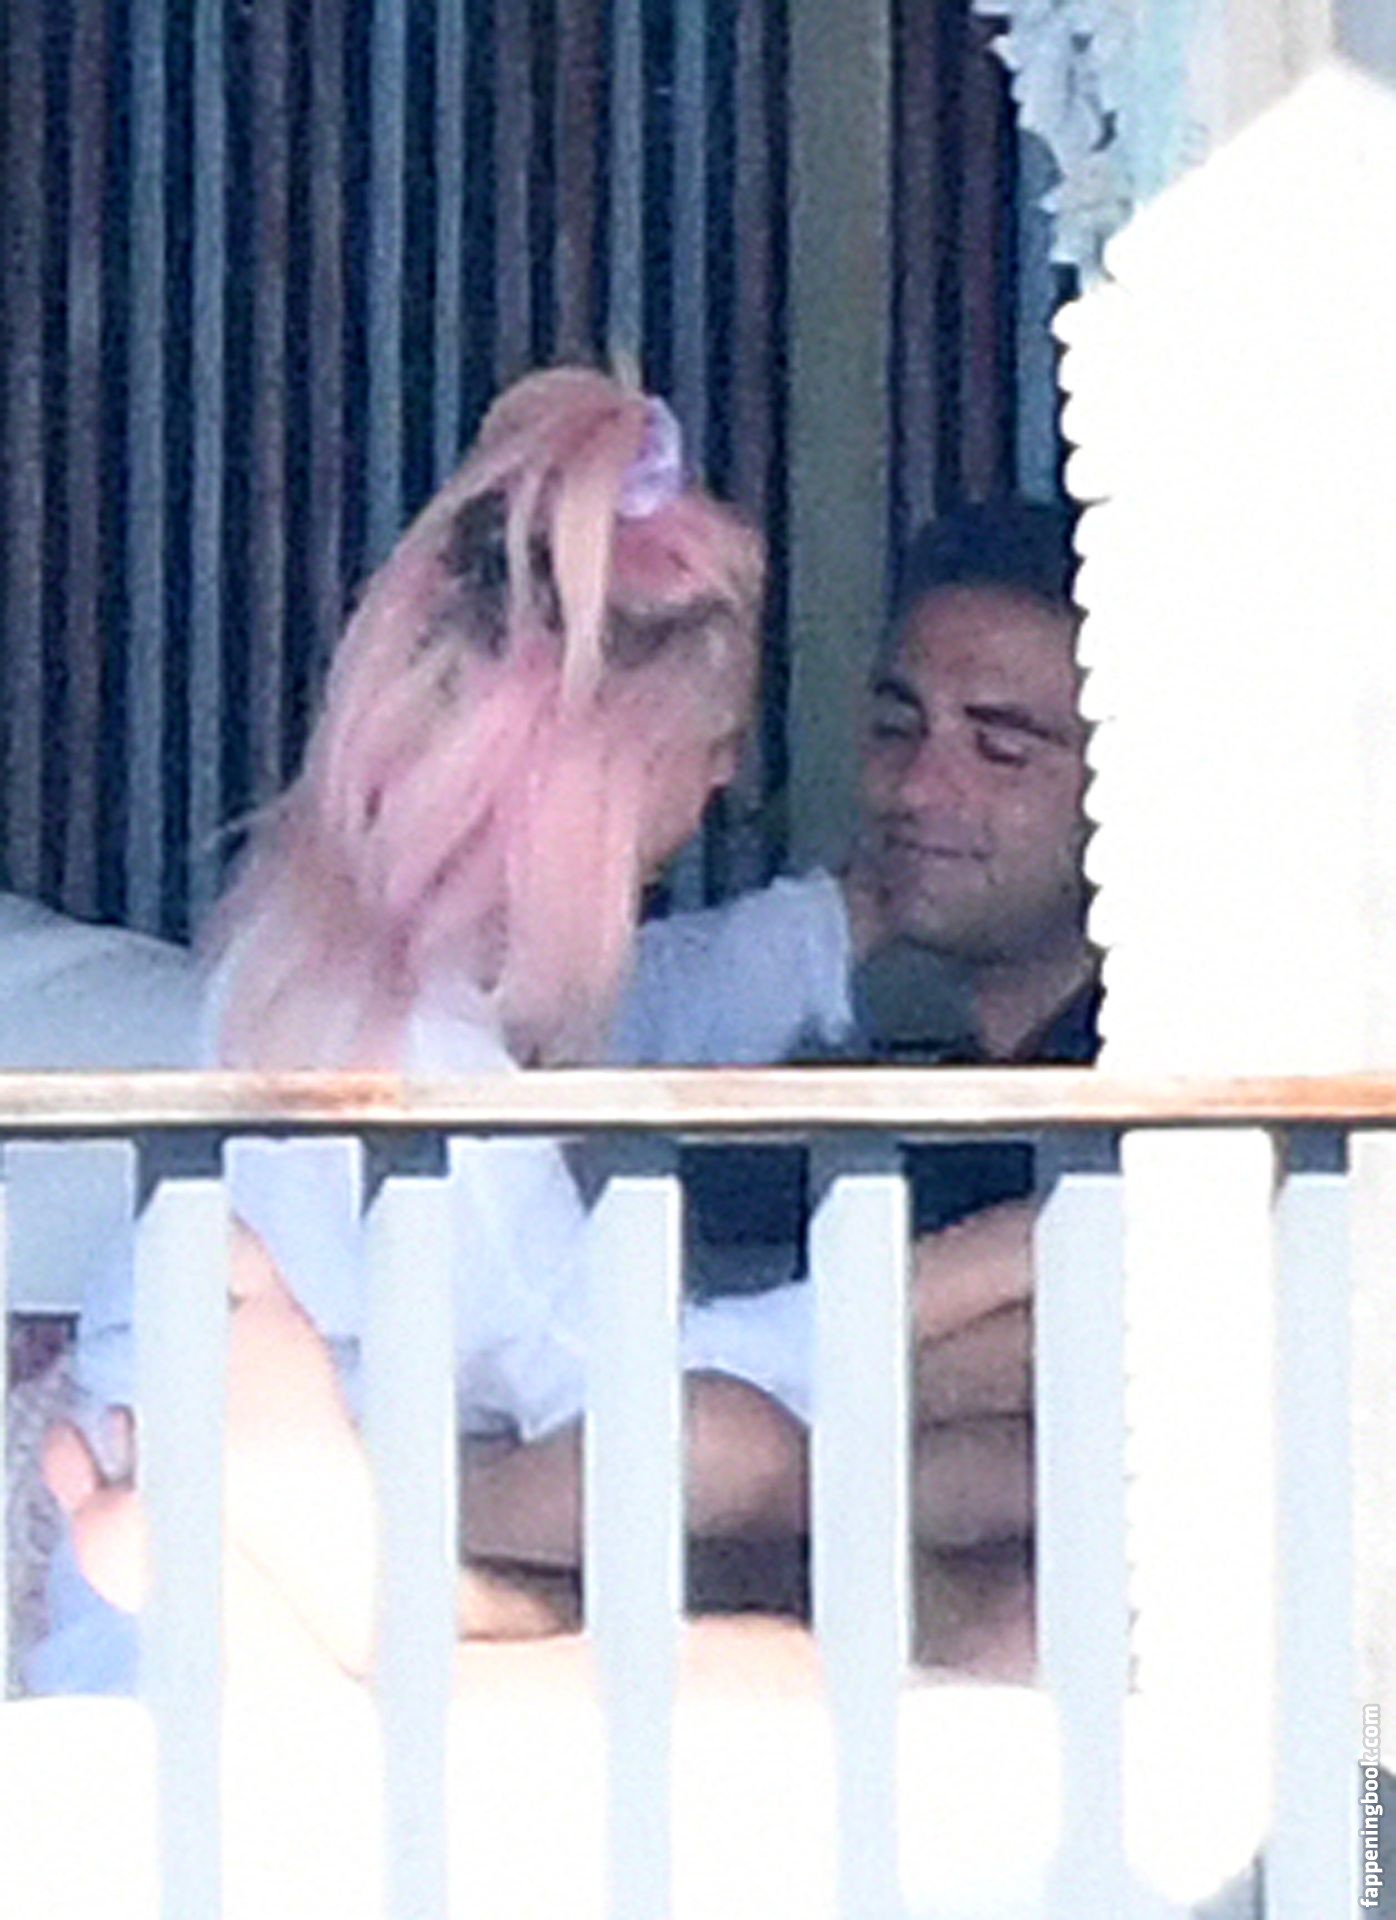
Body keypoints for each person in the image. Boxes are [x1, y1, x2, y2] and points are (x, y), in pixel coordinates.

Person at [28, 365, 808, 1692]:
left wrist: (848, 926)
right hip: (268, 1632)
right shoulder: (412, 1059)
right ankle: (363, 1590)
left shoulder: (325, 959)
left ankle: (369, 1581)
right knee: (764, 1586)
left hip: (250, 1541)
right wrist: (983, 1272)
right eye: (714, 740)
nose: (730, 776)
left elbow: (668, 1006)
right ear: (602, 772)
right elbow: (619, 1384)